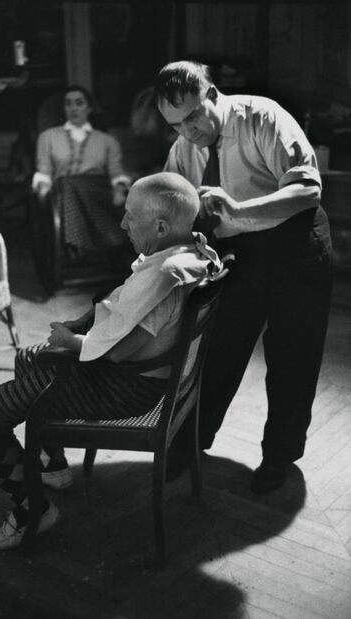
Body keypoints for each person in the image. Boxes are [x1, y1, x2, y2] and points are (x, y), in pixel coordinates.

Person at [0, 172, 223, 550]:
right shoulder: (191, 252)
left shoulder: (164, 274)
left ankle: (32, 508)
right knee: (28, 356)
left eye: (130, 217)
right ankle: (52, 467)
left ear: (162, 227)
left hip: (127, 389)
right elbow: (127, 316)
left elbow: (118, 350)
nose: (121, 224)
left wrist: (72, 340)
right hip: (160, 379)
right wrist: (85, 324)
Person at [155, 60, 333, 493]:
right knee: (216, 350)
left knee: (293, 355)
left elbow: (307, 189)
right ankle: (190, 443)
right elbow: (172, 200)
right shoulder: (185, 146)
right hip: (240, 252)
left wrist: (237, 212)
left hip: (296, 242)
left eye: (193, 116)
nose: (189, 131)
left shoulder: (263, 117)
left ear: (213, 96)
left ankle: (279, 456)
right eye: (176, 125)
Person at [32, 84, 131, 258]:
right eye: (68, 103)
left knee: (69, 184)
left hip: (99, 191)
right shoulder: (47, 137)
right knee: (66, 184)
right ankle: (84, 244)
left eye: (79, 103)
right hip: (61, 194)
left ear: (89, 108)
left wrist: (120, 187)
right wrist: (41, 187)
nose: (73, 108)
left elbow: (116, 172)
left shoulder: (107, 141)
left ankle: (77, 245)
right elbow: (44, 170)